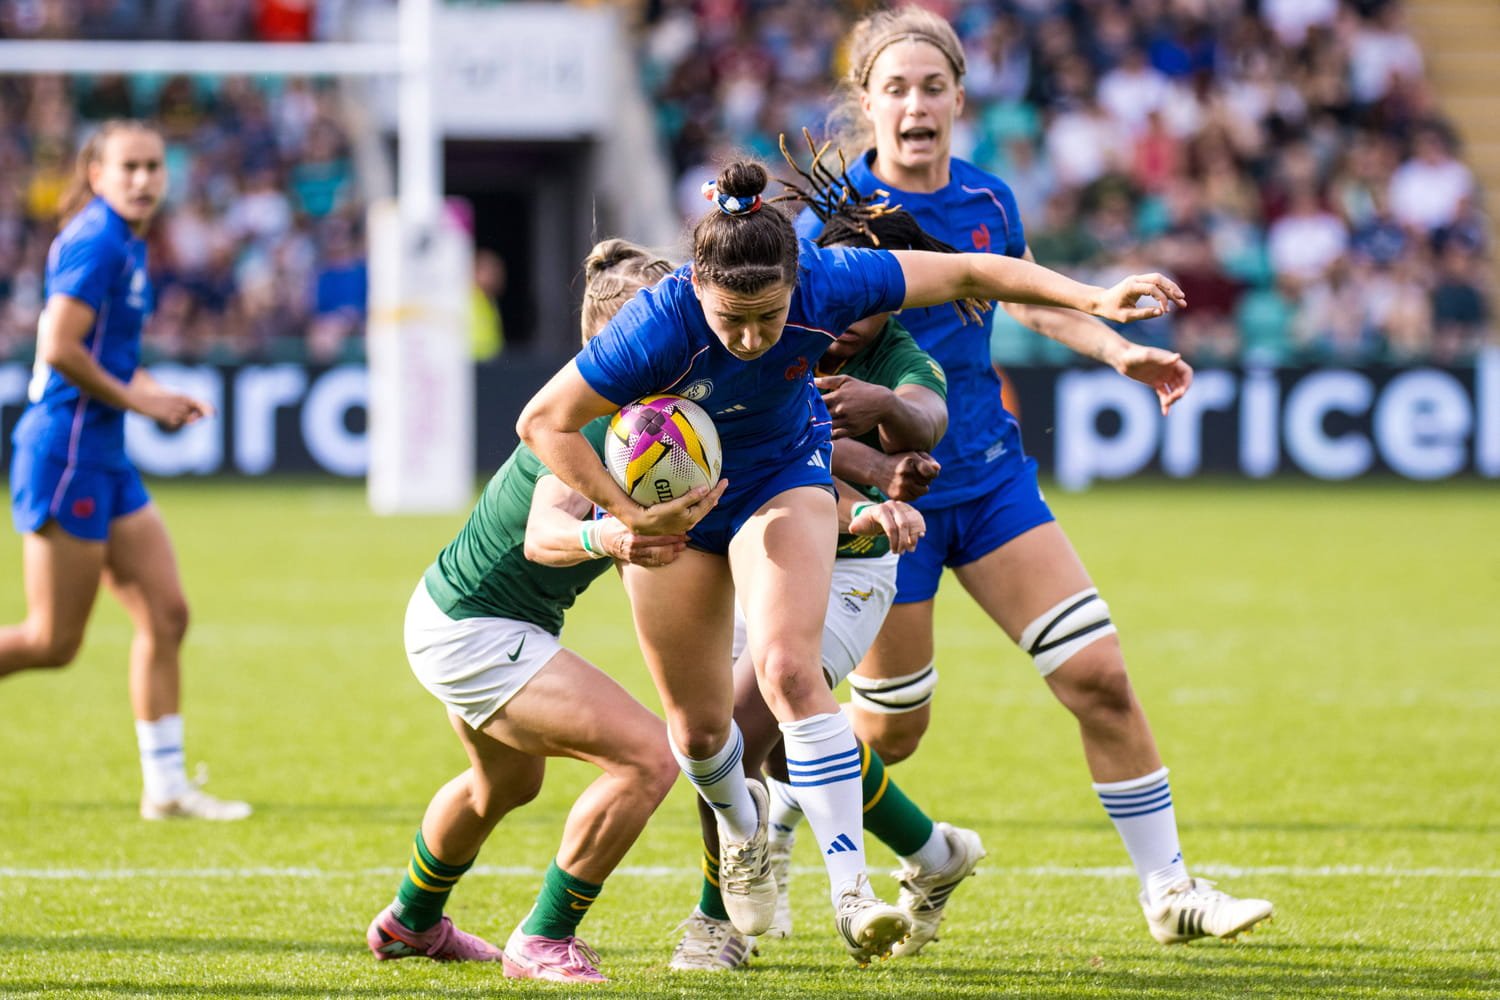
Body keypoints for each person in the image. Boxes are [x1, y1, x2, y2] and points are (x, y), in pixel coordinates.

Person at [517, 159, 1184, 965]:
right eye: (734, 321)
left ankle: (851, 893)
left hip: (782, 479)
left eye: (770, 317)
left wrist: (1093, 298)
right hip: (682, 516)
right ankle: (743, 833)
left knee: (788, 674)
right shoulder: (656, 324)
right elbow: (541, 424)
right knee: (698, 732)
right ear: (697, 286)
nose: (755, 338)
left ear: (801, 278)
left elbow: (971, 269)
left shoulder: (834, 281)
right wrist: (628, 515)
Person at [796, 7, 1273, 944]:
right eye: (895, 87)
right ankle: (800, 810)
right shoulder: (831, 218)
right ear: (868, 101)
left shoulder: (988, 200)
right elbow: (802, 352)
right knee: (891, 732)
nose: (916, 103)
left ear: (961, 98)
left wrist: (1117, 352)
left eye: (933, 86)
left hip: (992, 479)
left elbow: (1026, 296)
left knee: (1097, 673)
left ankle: (1168, 890)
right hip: (889, 499)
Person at [364, 240, 711, 983]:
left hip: (456, 613)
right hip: (474, 630)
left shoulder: (637, 414)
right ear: (620, 340)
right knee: (648, 759)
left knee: (505, 785)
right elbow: (545, 533)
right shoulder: (594, 420)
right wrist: (614, 534)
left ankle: (410, 923)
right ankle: (544, 938)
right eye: (673, 325)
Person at [668, 197, 989, 972]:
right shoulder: (775, 322)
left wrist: (885, 419)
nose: (845, 318)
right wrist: (871, 466)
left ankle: (721, 925)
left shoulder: (898, 355)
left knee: (744, 723)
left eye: (866, 304)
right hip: (758, 548)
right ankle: (934, 850)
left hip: (851, 562)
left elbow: (927, 416)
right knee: (772, 749)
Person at [1, 119, 249, 822]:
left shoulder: (125, 243)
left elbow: (105, 354)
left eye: (153, 167)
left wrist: (150, 393)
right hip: (68, 453)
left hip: (104, 453)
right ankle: (166, 783)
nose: (143, 179)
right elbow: (58, 346)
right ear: (96, 173)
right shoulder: (95, 241)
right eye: (128, 167)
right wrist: (141, 398)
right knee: (51, 642)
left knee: (167, 614)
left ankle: (166, 786)